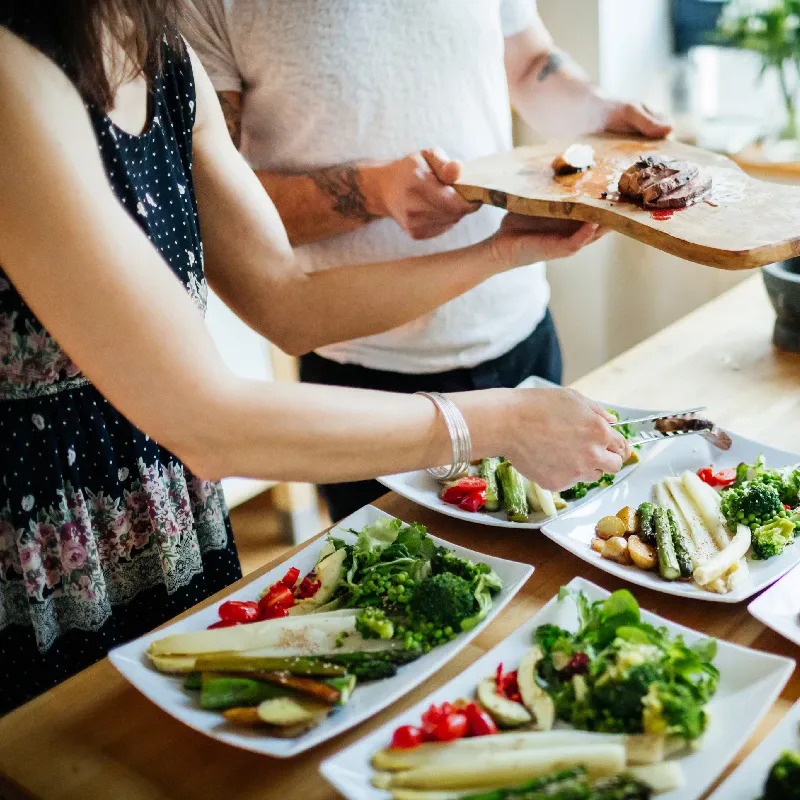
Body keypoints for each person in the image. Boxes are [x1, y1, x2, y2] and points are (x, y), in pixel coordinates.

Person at [0, 3, 629, 714]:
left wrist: (503, 250)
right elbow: (209, 422)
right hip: (32, 539)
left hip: (158, 508)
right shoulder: (13, 72)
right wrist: (502, 421)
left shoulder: (159, 48)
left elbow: (289, 300)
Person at [184, 0, 672, 523]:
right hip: (365, 382)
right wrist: (370, 192)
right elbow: (216, 211)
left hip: (522, 335)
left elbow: (530, 64)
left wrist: (599, 111)